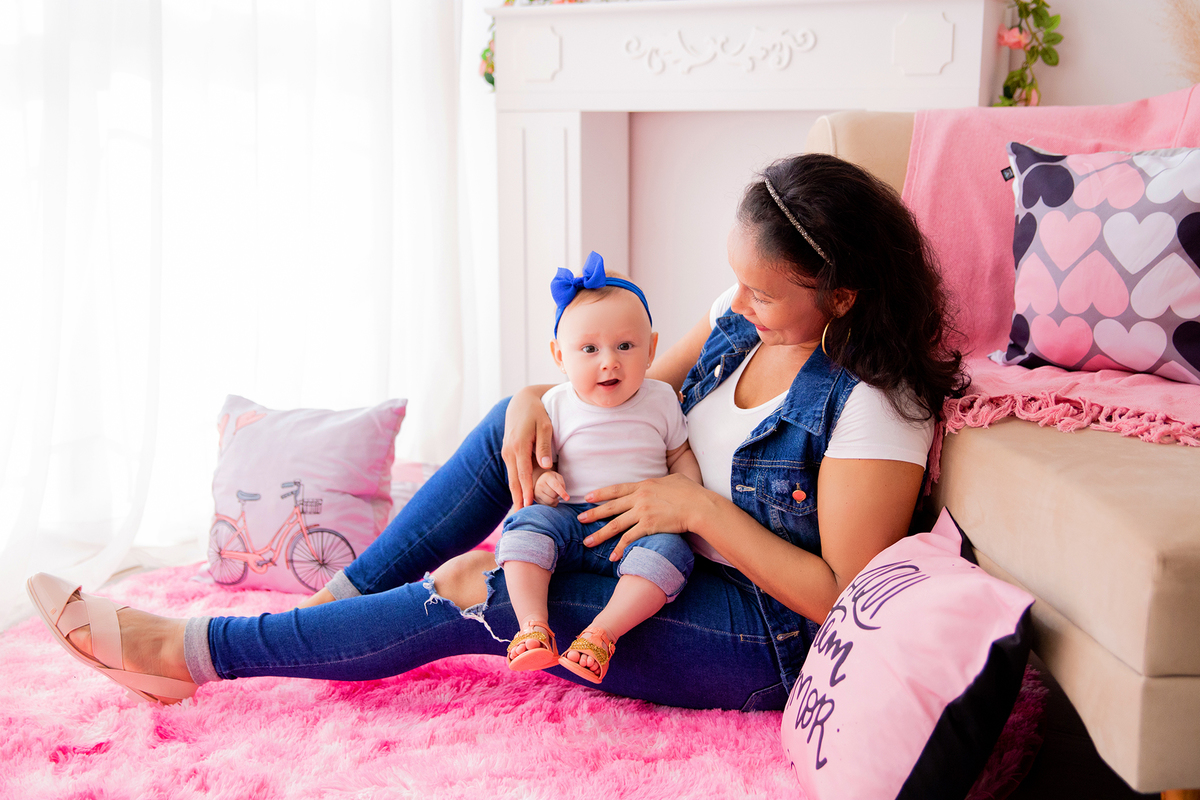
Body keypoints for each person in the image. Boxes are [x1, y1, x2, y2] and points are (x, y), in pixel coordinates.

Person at [26, 153, 966, 711]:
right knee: (504, 426)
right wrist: (531, 395)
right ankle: (328, 612)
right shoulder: (746, 313)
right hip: (649, 534)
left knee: (482, 592)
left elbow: (838, 601)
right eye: (738, 281)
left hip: (753, 631)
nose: (740, 303)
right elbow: (628, 387)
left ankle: (191, 656)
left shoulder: (873, 403)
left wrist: (694, 507)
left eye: (763, 292)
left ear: (842, 296)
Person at [498, 252, 702, 684]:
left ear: (652, 348)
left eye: (625, 346)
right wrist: (545, 482)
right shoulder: (555, 404)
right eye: (589, 349)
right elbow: (540, 466)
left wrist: (686, 493)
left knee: (673, 554)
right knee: (524, 525)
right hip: (571, 518)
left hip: (639, 527)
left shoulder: (662, 399)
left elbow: (679, 454)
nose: (608, 361)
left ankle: (601, 635)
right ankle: (532, 626)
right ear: (559, 355)